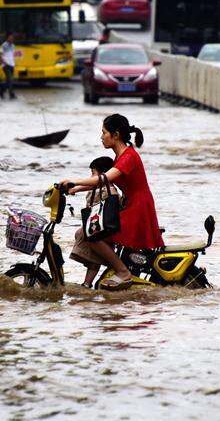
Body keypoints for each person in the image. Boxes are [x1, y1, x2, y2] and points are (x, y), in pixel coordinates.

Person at [61, 114, 163, 290]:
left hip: (138, 208)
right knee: (92, 231)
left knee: (93, 234)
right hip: (131, 204)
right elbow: (106, 181)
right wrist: (75, 190)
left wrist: (75, 181)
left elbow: (105, 178)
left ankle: (123, 272)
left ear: (115, 135)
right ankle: (91, 282)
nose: (101, 137)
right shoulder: (120, 157)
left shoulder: (128, 156)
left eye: (104, 132)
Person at [70, 156, 123, 288]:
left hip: (103, 229)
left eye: (93, 173)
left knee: (85, 235)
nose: (91, 177)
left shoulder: (107, 191)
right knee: (91, 249)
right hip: (101, 227)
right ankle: (87, 283)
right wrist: (75, 189)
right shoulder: (104, 189)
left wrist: (76, 187)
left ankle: (89, 282)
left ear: (103, 175)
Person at [0, 32, 16, 99]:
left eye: (12, 38)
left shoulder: (13, 46)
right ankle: (12, 95)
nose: (11, 39)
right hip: (6, 65)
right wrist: (3, 62)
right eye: (10, 37)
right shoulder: (4, 45)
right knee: (10, 79)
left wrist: (14, 63)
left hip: (11, 64)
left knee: (9, 80)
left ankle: (1, 91)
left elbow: (12, 55)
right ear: (7, 38)